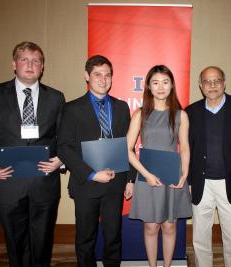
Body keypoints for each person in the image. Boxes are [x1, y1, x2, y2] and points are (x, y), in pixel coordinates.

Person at [0, 41, 65, 267]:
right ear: (14, 64)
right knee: (16, 242)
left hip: (43, 182)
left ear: (42, 66)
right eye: (24, 59)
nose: (30, 65)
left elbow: (64, 139)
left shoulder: (56, 97)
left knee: (42, 243)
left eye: (36, 61)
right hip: (6, 182)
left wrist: (61, 160)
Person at [57, 55, 135, 267]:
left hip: (115, 183)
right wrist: (91, 174)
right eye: (97, 74)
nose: (103, 79)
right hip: (86, 184)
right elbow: (63, 147)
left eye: (107, 75)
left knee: (113, 237)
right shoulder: (72, 108)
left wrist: (130, 179)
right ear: (87, 76)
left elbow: (128, 146)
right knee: (85, 239)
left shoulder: (121, 107)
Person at [185, 66, 231, 267]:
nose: (212, 85)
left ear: (224, 83)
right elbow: (187, 150)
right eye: (207, 81)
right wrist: (189, 181)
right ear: (200, 85)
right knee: (200, 239)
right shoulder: (191, 112)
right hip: (201, 184)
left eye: (217, 81)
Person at [127, 65, 192, 267]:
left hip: (173, 175)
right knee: (151, 227)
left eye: (165, 82)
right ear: (148, 86)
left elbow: (184, 149)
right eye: (155, 82)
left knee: (169, 226)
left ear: (172, 85)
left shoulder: (181, 115)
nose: (160, 87)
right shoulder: (140, 114)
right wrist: (145, 174)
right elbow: (127, 149)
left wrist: (184, 175)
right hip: (147, 177)